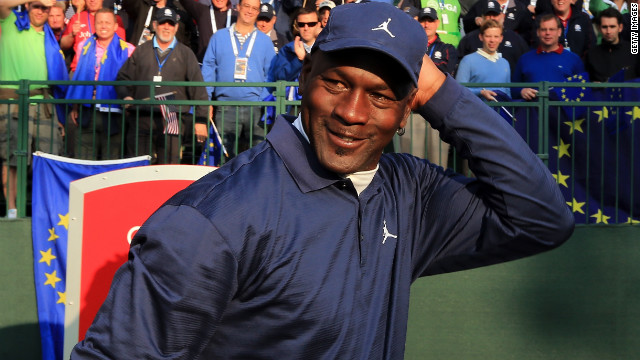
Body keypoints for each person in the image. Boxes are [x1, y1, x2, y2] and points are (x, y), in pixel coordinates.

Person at [70, 2, 574, 358]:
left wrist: (444, 94)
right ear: (305, 76)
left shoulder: (409, 193)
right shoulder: (211, 218)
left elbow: (542, 218)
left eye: (380, 96)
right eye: (336, 83)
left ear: (407, 111)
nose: (352, 113)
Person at [116, 7, 209, 164]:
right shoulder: (141, 51)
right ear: (154, 25)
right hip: (142, 113)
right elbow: (122, 78)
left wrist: (201, 120)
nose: (167, 27)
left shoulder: (186, 54)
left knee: (169, 164)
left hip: (172, 112)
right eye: (162, 23)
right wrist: (126, 95)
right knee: (138, 165)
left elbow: (198, 89)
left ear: (177, 27)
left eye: (171, 24)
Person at [0, 0, 68, 218]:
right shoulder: (12, 21)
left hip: (43, 104)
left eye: (45, 8)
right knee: (13, 160)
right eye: (37, 5)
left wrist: (57, 115)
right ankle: (12, 211)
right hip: (13, 102)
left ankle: (45, 213)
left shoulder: (49, 37)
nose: (41, 10)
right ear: (28, 5)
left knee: (48, 161)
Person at [201, 0, 276, 157]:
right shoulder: (219, 37)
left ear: (258, 12)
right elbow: (208, 71)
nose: (250, 11)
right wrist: (207, 102)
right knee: (224, 159)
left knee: (256, 159)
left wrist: (261, 100)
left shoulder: (265, 41)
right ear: (238, 7)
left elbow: (271, 74)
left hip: (255, 110)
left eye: (254, 8)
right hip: (225, 107)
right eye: (246, 6)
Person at [66, 8, 135, 160]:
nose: (103, 26)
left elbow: (133, 82)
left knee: (110, 164)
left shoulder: (129, 50)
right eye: (100, 22)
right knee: (83, 161)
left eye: (107, 23)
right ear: (94, 25)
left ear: (116, 26)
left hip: (115, 114)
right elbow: (79, 77)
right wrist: (76, 105)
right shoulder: (83, 46)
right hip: (87, 111)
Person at [400, 6, 455, 166]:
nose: (426, 24)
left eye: (430, 21)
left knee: (438, 162)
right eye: (423, 20)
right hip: (412, 111)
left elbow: (445, 74)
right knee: (409, 161)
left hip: (436, 109)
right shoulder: (408, 47)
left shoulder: (447, 48)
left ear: (437, 23)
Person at [512, 13, 585, 100]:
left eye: (552, 29)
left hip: (561, 112)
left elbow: (582, 91)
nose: (547, 33)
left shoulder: (574, 59)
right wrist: (522, 91)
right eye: (543, 29)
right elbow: (513, 88)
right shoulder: (524, 59)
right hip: (532, 111)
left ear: (559, 32)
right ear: (538, 32)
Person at [457, 0, 529, 75]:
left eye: (495, 15)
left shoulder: (515, 39)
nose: (492, 18)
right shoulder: (470, 39)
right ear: (482, 17)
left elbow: (525, 63)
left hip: (507, 84)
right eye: (488, 15)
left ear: (503, 16)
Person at [60, 0, 127, 72]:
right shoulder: (76, 18)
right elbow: (63, 45)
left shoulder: (114, 19)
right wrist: (72, 34)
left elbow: (122, 47)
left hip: (107, 70)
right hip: (80, 69)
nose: (92, 0)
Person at [456, 19, 511, 101]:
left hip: (499, 112)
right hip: (475, 111)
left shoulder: (505, 63)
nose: (492, 40)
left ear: (501, 38)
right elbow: (458, 89)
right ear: (481, 37)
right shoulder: (468, 60)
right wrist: (481, 92)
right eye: (488, 36)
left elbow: (507, 92)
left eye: (496, 36)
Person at [585, 7, 639, 81]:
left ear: (620, 27)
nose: (608, 31)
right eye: (604, 27)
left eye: (612, 27)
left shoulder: (634, 53)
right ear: (599, 28)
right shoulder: (591, 54)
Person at [268, 8, 320, 84]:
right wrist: (298, 60)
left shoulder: (327, 49)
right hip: (294, 95)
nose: (306, 28)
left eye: (311, 24)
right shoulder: (287, 50)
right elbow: (280, 78)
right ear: (297, 26)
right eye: (301, 24)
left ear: (318, 25)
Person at [123, 0, 196, 51]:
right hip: (141, 57)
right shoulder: (143, 5)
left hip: (168, 61)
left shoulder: (178, 11)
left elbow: (189, 38)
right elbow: (127, 3)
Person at [463, 0, 534, 44]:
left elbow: (527, 31)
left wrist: (513, 40)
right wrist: (475, 21)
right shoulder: (482, 3)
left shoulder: (519, 7)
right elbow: (467, 24)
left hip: (508, 50)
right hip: (484, 48)